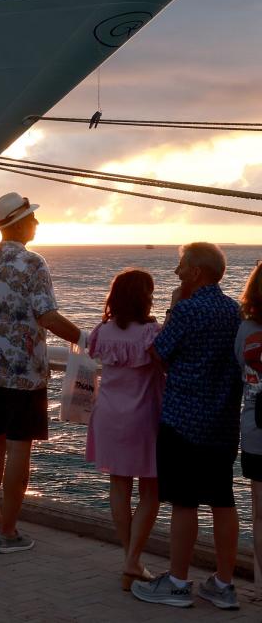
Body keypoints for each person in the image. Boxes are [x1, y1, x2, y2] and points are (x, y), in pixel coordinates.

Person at [0, 192, 80, 553]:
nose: (37, 223)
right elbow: (47, 316)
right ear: (18, 223)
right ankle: (9, 533)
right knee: (21, 445)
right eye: (33, 218)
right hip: (24, 371)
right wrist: (84, 338)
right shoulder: (33, 263)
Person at [132, 243, 242, 610]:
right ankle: (224, 585)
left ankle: (178, 582)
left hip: (182, 421)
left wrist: (174, 305)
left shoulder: (187, 310)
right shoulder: (235, 311)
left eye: (181, 266)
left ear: (196, 272)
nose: (177, 272)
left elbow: (159, 353)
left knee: (185, 503)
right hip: (223, 424)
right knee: (223, 501)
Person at [84, 269, 164, 590]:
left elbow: (90, 352)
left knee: (118, 486)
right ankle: (132, 562)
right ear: (144, 297)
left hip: (108, 416)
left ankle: (129, 561)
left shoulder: (102, 331)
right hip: (143, 416)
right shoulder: (151, 333)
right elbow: (167, 363)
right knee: (151, 491)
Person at [236, 263, 262, 604]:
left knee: (260, 514)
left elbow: (239, 372)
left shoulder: (245, 331)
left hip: (256, 429)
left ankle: (260, 586)